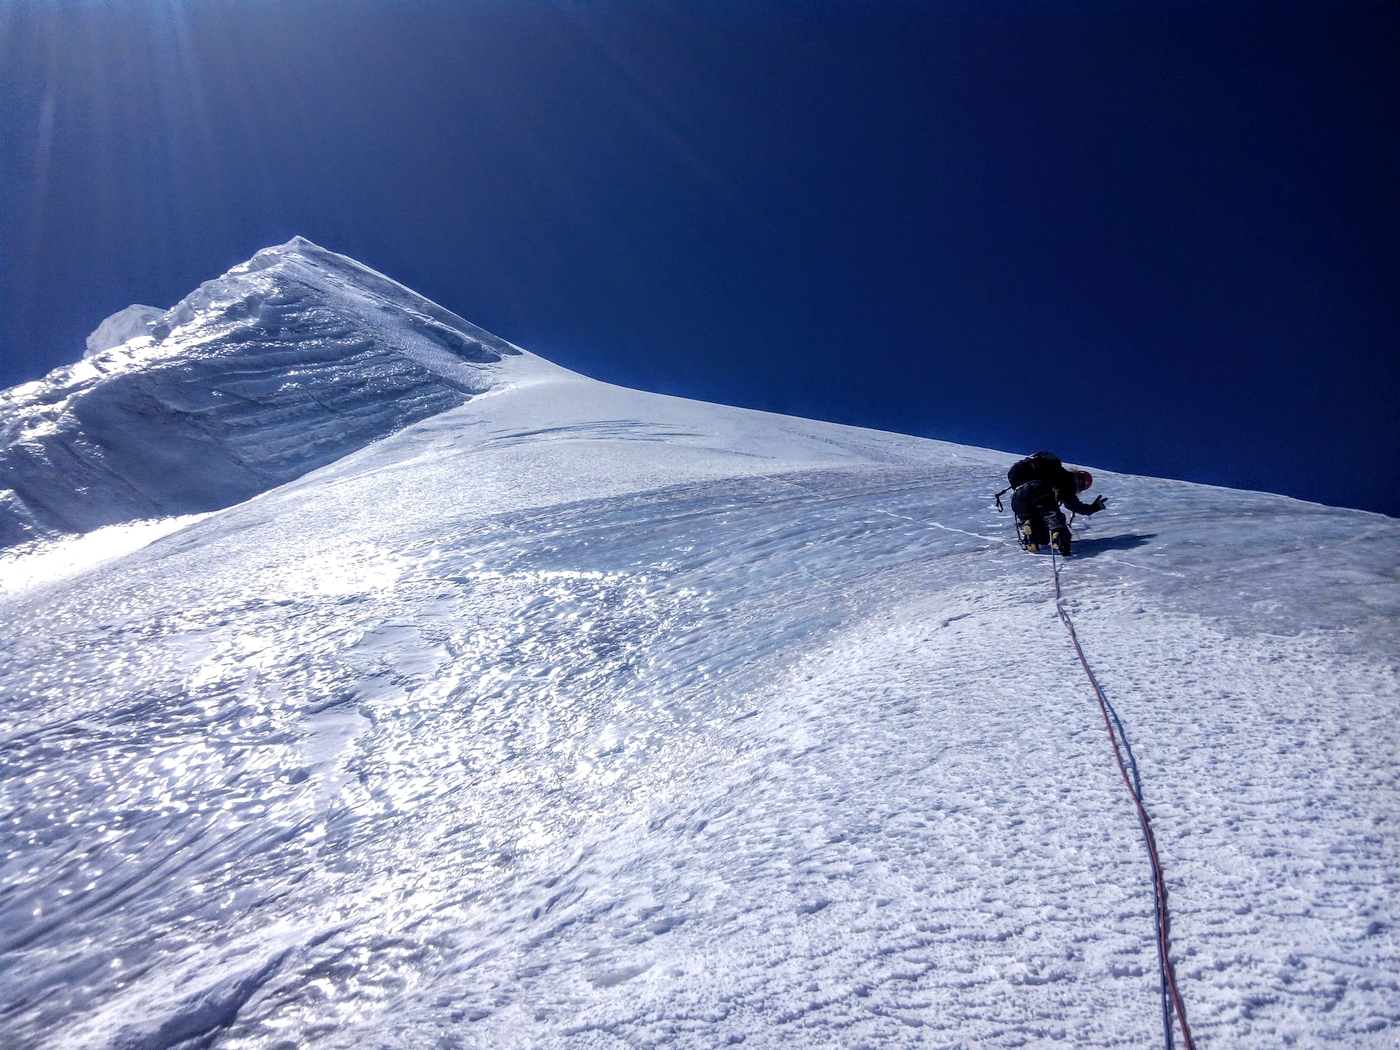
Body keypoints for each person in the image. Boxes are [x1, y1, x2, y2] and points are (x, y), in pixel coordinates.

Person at [1003, 451, 1107, 556]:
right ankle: (1060, 539)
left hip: (1017, 500)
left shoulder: (1051, 471)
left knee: (1043, 534)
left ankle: (1032, 534)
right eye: (1080, 479)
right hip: (1038, 491)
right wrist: (1094, 507)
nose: (1078, 484)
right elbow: (1076, 506)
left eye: (1081, 485)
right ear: (1075, 474)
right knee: (1054, 518)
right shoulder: (1066, 479)